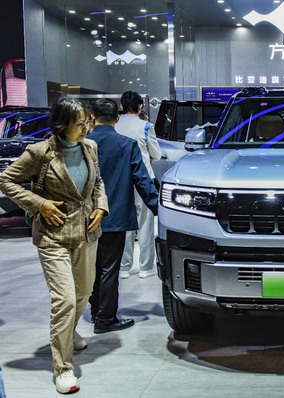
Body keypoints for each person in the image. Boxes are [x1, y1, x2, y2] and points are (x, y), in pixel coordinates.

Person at [0, 97, 108, 394]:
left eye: (89, 120)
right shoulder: (39, 152)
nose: (87, 126)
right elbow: (6, 180)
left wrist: (101, 205)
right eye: (81, 122)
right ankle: (63, 367)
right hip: (53, 236)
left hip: (87, 232)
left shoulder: (91, 147)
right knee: (65, 300)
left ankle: (69, 332)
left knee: (84, 292)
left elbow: (97, 181)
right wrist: (39, 203)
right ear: (63, 124)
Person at [87, 98, 158, 333]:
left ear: (92, 119)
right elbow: (142, 179)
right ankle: (106, 318)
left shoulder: (82, 144)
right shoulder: (126, 145)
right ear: (117, 119)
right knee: (109, 269)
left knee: (89, 267)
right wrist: (158, 207)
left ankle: (96, 309)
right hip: (113, 217)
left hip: (83, 218)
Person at [115, 91, 161, 279]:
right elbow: (156, 155)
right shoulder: (146, 126)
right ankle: (145, 267)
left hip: (121, 180)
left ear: (122, 106)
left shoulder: (115, 126)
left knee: (125, 224)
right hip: (143, 179)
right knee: (145, 225)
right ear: (140, 107)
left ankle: (124, 268)